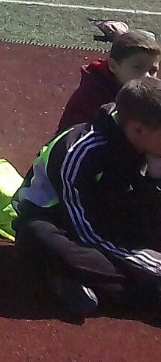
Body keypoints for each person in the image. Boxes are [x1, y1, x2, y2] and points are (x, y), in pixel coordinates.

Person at [13, 77, 161, 318]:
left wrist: (155, 182)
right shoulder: (79, 152)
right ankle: (136, 289)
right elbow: (86, 231)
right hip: (62, 223)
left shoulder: (151, 148)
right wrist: (152, 267)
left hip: (109, 222)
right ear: (138, 130)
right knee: (38, 238)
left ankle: (79, 280)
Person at [56, 30, 161, 135]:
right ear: (113, 66)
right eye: (137, 67)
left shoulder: (142, 91)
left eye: (153, 70)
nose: (146, 76)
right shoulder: (94, 95)